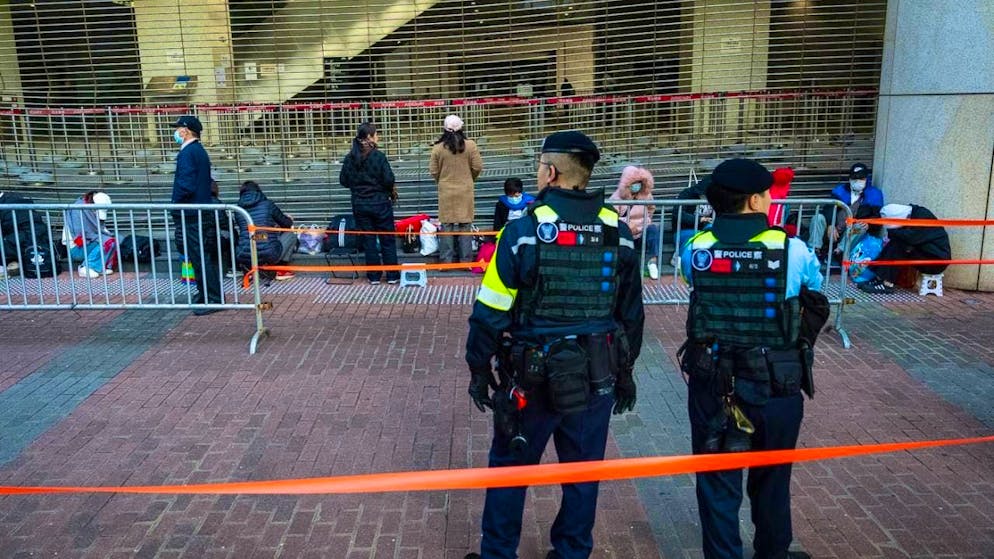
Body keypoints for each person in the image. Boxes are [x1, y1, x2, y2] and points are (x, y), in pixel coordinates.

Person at [464, 131, 644, 559]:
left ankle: (499, 554)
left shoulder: (523, 232)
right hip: (594, 377)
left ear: (550, 171)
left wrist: (478, 368)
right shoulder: (618, 234)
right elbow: (631, 315)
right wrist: (625, 373)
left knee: (510, 468)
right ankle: (571, 551)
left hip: (530, 380)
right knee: (583, 474)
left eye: (539, 166)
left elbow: (490, 310)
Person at [677, 158, 822, 559]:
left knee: (717, 482)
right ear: (756, 199)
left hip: (715, 386)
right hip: (778, 384)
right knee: (773, 481)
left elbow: (695, 284)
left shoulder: (696, 249)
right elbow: (815, 291)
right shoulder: (792, 249)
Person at [171, 114, 223, 315]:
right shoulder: (198, 151)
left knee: (199, 256)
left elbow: (186, 183)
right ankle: (206, 295)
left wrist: (176, 203)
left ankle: (211, 298)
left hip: (192, 211)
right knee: (199, 255)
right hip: (198, 209)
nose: (176, 132)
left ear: (185, 131)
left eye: (178, 129)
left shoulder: (188, 153)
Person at [340, 121, 400, 285]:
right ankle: (392, 275)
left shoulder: (350, 158)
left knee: (369, 240)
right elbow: (389, 179)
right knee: (387, 239)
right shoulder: (378, 157)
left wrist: (358, 186)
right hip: (380, 204)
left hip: (360, 205)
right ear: (369, 137)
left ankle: (373, 276)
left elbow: (343, 180)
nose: (378, 137)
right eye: (376, 134)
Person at [858, 203, 951, 294]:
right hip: (926, 252)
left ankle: (887, 283)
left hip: (936, 261)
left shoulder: (922, 217)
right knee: (896, 243)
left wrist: (892, 233)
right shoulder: (913, 214)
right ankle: (879, 278)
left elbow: (913, 238)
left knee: (899, 245)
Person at [430, 114, 483, 264]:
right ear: (462, 127)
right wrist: (469, 178)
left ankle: (446, 261)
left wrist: (442, 180)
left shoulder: (438, 148)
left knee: (446, 225)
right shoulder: (471, 145)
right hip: (465, 190)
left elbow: (433, 170)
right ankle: (466, 261)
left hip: (446, 191)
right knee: (465, 225)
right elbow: (478, 166)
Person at [806, 162, 883, 258]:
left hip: (850, 234)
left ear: (866, 179)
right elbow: (829, 208)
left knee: (860, 226)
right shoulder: (840, 190)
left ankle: (839, 252)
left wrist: (868, 223)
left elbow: (877, 217)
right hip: (833, 230)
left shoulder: (874, 194)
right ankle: (814, 251)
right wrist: (831, 224)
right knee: (818, 218)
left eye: (861, 178)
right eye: (854, 178)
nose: (857, 181)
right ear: (850, 179)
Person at [233, 181, 297, 284]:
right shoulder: (268, 204)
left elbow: (249, 231)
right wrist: (289, 219)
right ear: (258, 191)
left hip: (244, 253)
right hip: (269, 253)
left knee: (254, 238)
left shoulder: (237, 209)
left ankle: (250, 270)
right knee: (291, 235)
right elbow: (286, 224)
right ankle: (280, 269)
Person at [609, 165, 660, 279]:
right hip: (626, 233)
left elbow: (651, 209)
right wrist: (627, 225)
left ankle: (652, 263)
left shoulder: (646, 195)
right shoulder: (617, 198)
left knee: (653, 229)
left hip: (642, 231)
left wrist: (644, 222)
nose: (637, 185)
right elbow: (612, 217)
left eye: (639, 182)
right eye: (634, 182)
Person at [63, 190, 117, 278]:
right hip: (76, 248)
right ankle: (86, 267)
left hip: (87, 243)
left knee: (113, 240)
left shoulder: (88, 211)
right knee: (107, 241)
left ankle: (98, 267)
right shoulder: (78, 211)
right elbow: (82, 235)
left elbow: (100, 231)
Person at [672, 176, 714, 264]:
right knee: (695, 236)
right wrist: (699, 219)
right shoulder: (687, 194)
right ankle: (678, 257)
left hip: (704, 230)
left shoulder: (716, 199)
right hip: (683, 230)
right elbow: (678, 213)